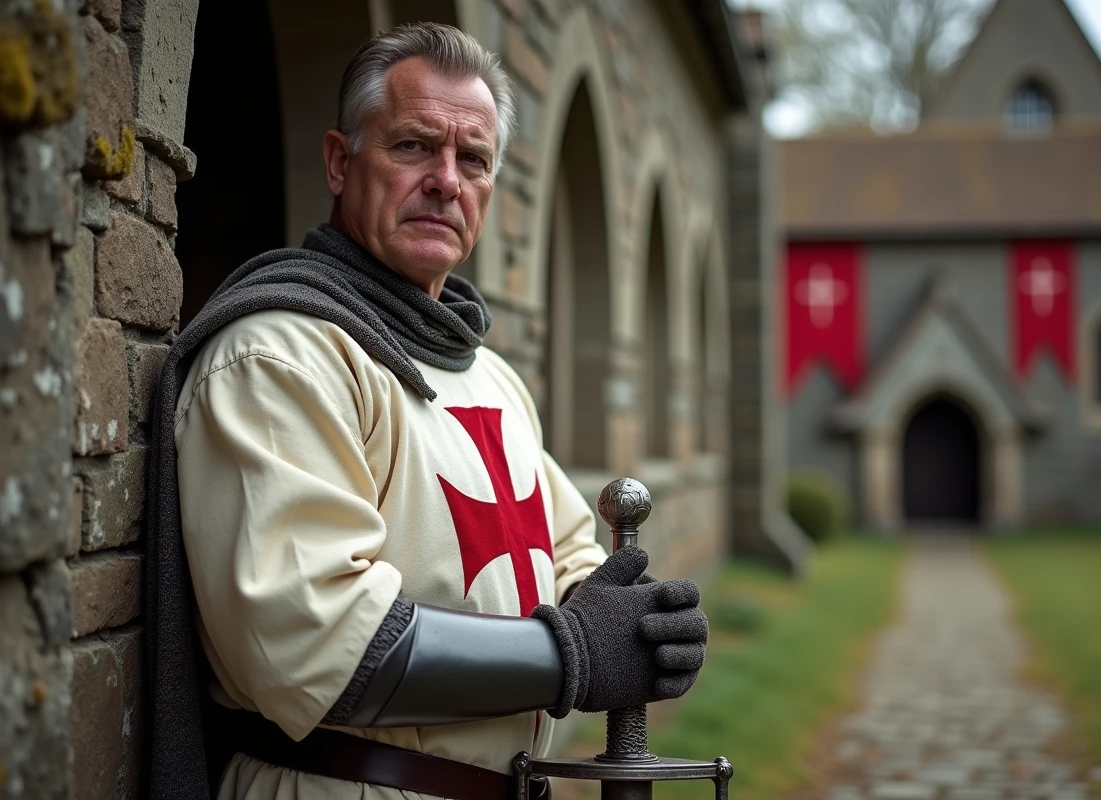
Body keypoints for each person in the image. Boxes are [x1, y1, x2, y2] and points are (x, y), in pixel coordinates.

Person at [145, 22, 709, 800]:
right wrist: (572, 651)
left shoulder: (489, 378)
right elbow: (313, 640)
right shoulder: (280, 357)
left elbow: (569, 555)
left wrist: (639, 621)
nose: (446, 180)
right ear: (341, 164)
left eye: (472, 159)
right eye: (414, 146)